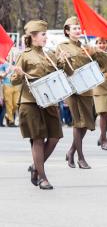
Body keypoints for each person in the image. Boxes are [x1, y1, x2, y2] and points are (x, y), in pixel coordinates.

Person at [11, 20, 63, 189]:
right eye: (43, 35)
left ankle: (35, 167)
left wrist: (62, 62)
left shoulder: (50, 54)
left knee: (55, 137)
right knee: (38, 139)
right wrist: (18, 74)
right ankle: (42, 177)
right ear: (33, 37)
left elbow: (61, 75)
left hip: (49, 101)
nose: (46, 38)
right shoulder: (24, 55)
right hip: (30, 102)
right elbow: (14, 81)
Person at [60, 16, 107, 169]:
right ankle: (80, 157)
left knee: (86, 124)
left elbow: (104, 62)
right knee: (77, 122)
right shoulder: (62, 47)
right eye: (74, 28)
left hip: (87, 89)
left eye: (78, 28)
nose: (77, 30)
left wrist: (95, 51)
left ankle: (71, 151)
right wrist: (63, 60)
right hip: (73, 89)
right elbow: (60, 68)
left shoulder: (86, 46)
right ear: (67, 31)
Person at [1, 51, 20, 127]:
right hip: (7, 85)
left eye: (12, 55)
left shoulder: (16, 64)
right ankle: (11, 121)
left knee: (15, 104)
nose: (10, 56)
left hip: (15, 85)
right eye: (8, 55)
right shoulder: (3, 64)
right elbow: (1, 76)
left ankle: (8, 116)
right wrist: (6, 72)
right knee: (9, 104)